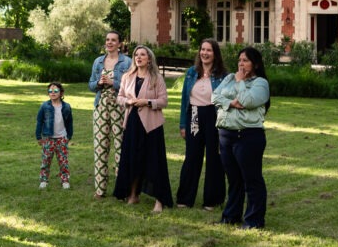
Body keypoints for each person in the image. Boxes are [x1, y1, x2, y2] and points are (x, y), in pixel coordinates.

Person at [213, 47, 271, 229]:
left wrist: (239, 83)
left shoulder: (260, 83)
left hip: (247, 136)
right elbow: (214, 96)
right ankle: (231, 216)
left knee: (251, 179)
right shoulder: (229, 77)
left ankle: (254, 220)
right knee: (234, 179)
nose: (241, 64)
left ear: (255, 64)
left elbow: (248, 101)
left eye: (245, 60)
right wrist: (230, 103)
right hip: (226, 134)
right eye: (239, 60)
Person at [112, 46, 173, 213]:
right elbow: (120, 97)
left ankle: (159, 200)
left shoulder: (156, 78)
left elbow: (164, 101)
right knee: (133, 158)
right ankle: (133, 195)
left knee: (154, 161)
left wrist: (147, 102)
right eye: (136, 55)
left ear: (149, 59)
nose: (138, 57)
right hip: (132, 122)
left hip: (152, 124)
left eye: (142, 55)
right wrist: (129, 102)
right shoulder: (127, 76)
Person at [176, 39, 228, 210]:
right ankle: (185, 198)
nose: (205, 53)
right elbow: (185, 99)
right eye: (202, 49)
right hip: (195, 115)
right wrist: (183, 124)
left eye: (209, 50)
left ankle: (212, 200)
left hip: (214, 116)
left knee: (214, 158)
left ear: (215, 54)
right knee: (192, 157)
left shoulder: (223, 75)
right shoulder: (192, 72)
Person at [89, 30, 131, 198]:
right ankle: (100, 190)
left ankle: (122, 190)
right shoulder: (98, 61)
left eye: (113, 40)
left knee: (121, 148)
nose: (110, 43)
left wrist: (114, 82)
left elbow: (130, 86)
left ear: (120, 44)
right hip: (100, 107)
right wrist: (98, 83)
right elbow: (91, 85)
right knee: (100, 147)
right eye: (107, 40)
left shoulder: (127, 62)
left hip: (120, 108)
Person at [35, 82, 73, 190]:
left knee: (63, 161)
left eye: (56, 91)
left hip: (62, 138)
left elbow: (69, 122)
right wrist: (39, 137)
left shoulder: (66, 107)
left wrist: (69, 136)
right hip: (48, 138)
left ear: (61, 93)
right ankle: (43, 180)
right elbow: (39, 121)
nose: (53, 93)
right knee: (46, 160)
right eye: (50, 91)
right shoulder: (44, 106)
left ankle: (65, 180)